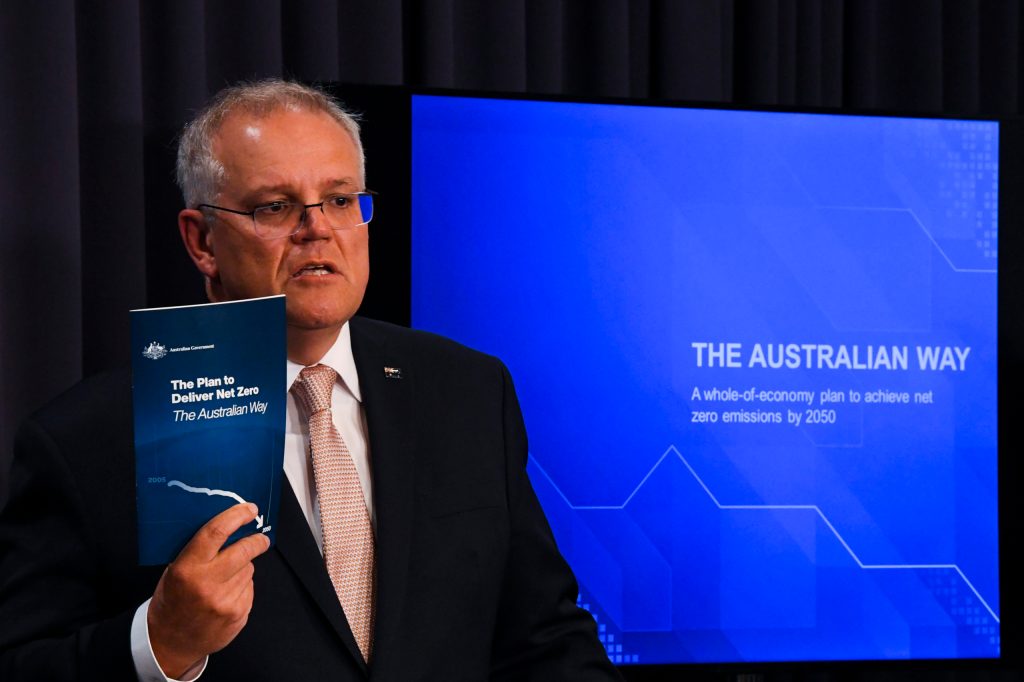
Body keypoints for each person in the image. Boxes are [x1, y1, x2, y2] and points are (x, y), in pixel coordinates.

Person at [0, 79, 623, 681]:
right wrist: (159, 643)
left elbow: (544, 639)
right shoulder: (85, 440)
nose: (317, 228)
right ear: (202, 241)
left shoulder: (467, 390)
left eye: (341, 199)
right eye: (275, 206)